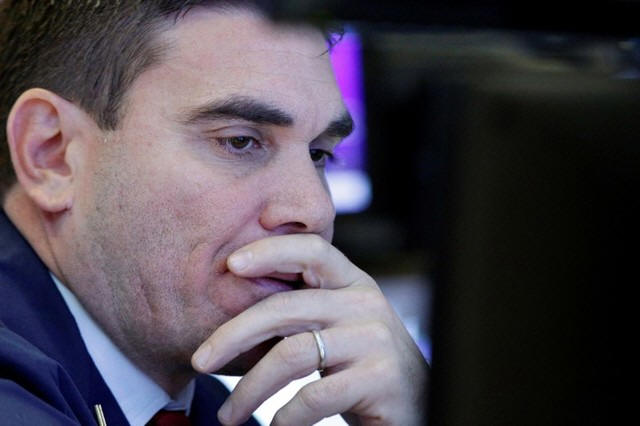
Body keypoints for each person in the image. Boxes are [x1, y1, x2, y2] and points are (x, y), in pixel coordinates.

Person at [0, 1, 428, 425]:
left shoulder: (193, 405)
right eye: (239, 141)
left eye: (318, 154)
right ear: (51, 154)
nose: (314, 211)